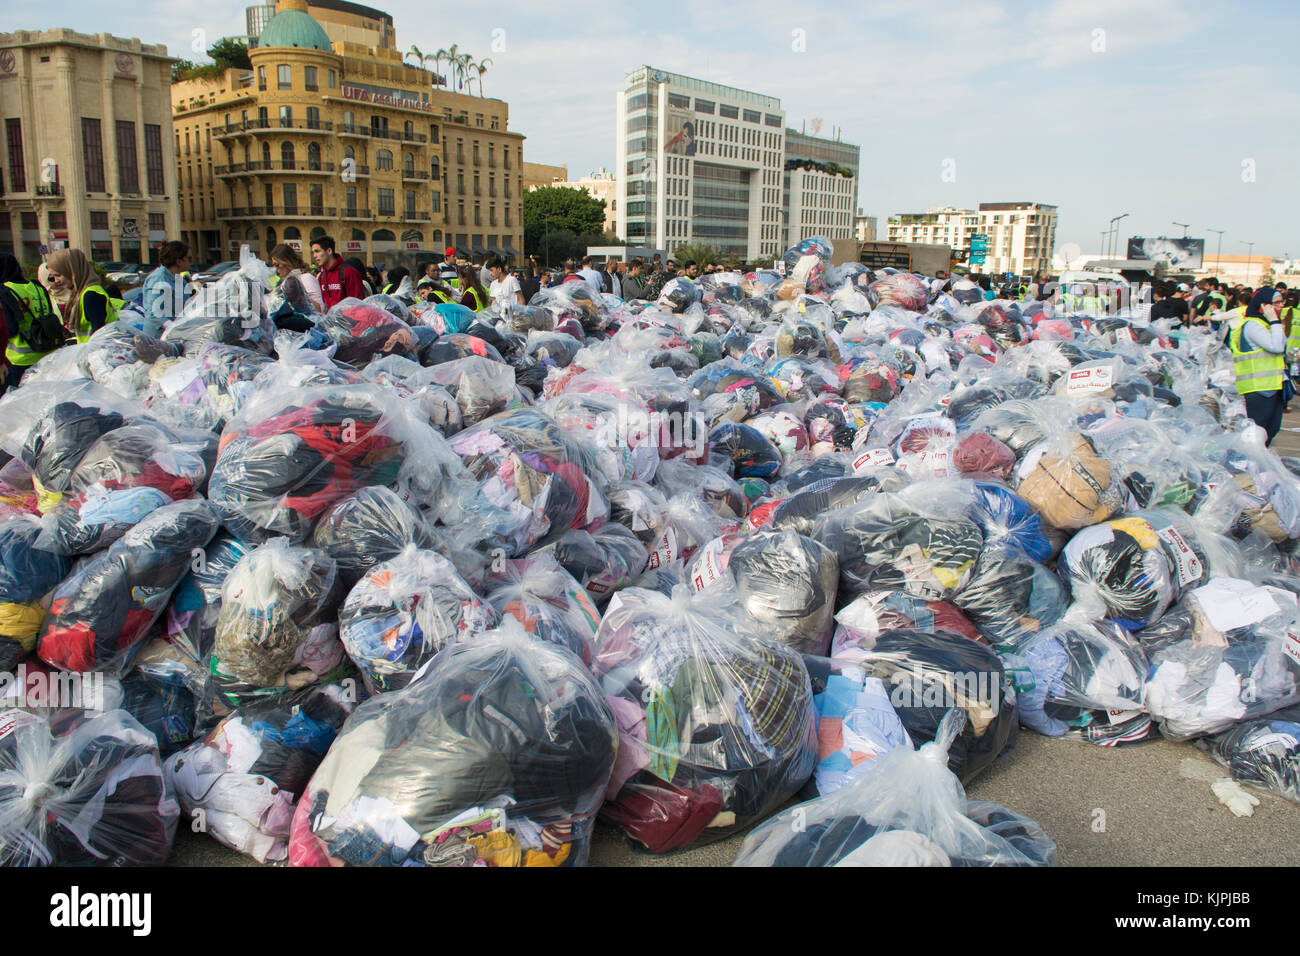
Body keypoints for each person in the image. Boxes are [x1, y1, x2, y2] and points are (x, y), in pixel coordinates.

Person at [1229, 289, 1288, 444]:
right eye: (1277, 303)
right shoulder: (1252, 325)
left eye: (1282, 302)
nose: (1281, 306)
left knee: (1271, 429)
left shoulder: (1267, 324)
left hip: (1273, 386)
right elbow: (1276, 346)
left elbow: (1281, 344)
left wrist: (1275, 322)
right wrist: (1275, 321)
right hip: (1258, 388)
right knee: (1257, 433)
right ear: (1264, 306)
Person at [0, 252, 62, 392]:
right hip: (48, 354)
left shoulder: (4, 290)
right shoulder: (37, 287)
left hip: (19, 359)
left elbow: (10, 328)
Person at [45, 248, 119, 343]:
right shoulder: (85, 292)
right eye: (53, 276)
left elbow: (99, 334)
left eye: (58, 275)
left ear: (72, 271)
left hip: (97, 353)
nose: (56, 280)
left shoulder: (90, 295)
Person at [139, 240, 192, 338]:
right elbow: (153, 312)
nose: (191, 262)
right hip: (158, 337)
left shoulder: (179, 279)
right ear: (178, 261)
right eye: (189, 258)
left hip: (174, 334)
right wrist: (172, 326)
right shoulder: (158, 279)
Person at [311, 236, 364, 310]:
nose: (314, 256)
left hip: (348, 320)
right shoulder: (321, 276)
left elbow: (357, 304)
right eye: (313, 252)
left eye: (317, 251)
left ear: (329, 251)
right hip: (328, 320)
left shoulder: (349, 272)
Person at [269, 243, 324, 313]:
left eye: (276, 264)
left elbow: (319, 309)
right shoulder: (280, 281)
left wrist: (299, 295)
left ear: (287, 262)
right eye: (273, 265)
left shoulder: (306, 278)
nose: (275, 268)